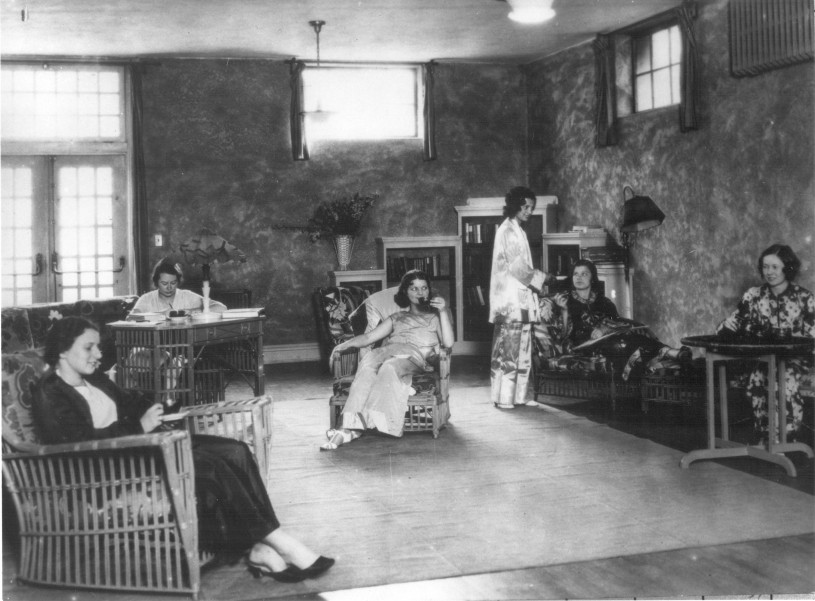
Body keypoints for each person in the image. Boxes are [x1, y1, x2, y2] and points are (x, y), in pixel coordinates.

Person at [32, 316, 334, 583]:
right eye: (89, 347)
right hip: (111, 469)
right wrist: (140, 427)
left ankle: (259, 545)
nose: (98, 354)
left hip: (143, 447)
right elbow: (76, 445)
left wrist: (161, 405)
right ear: (62, 350)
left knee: (235, 451)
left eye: (98, 346)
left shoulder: (95, 379)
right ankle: (278, 541)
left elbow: (132, 401)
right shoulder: (50, 393)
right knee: (210, 466)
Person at [322, 269, 455, 450]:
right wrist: (343, 345)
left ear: (429, 291)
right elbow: (369, 338)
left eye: (423, 288)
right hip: (387, 351)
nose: (420, 293)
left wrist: (444, 311)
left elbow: (448, 342)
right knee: (367, 367)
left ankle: (363, 424)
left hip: (412, 357)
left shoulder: (435, 317)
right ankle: (347, 427)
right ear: (405, 293)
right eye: (414, 289)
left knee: (389, 367)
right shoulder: (396, 317)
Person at [717, 244, 815, 443]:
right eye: (765, 267)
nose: (769, 272)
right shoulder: (753, 296)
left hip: (794, 360)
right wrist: (725, 328)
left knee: (782, 376)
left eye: (775, 267)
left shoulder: (804, 299)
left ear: (787, 268)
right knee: (759, 376)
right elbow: (732, 325)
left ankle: (785, 439)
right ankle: (767, 438)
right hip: (760, 360)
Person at [545, 259, 689, 379]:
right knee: (623, 344)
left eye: (584, 274)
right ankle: (670, 352)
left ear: (592, 278)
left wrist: (604, 329)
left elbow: (617, 322)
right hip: (584, 345)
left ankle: (660, 363)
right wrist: (564, 311)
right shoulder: (565, 301)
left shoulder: (604, 301)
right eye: (576, 274)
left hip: (608, 339)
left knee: (627, 339)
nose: (579, 278)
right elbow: (562, 337)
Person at [488, 186, 550, 409]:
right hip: (509, 299)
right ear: (515, 206)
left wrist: (538, 283)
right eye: (526, 206)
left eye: (532, 207)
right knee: (508, 349)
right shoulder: (506, 230)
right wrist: (544, 280)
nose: (529, 211)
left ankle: (520, 395)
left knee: (524, 348)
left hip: (522, 298)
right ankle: (504, 397)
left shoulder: (519, 230)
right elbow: (518, 268)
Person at [130, 259, 227, 316]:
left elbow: (221, 308)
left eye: (173, 283)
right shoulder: (146, 299)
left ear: (178, 281)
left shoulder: (186, 296)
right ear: (156, 282)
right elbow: (130, 318)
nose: (169, 287)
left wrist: (191, 311)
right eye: (164, 283)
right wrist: (162, 314)